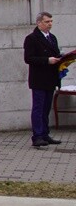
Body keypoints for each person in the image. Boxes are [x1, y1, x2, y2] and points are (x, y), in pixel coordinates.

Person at [23, 11, 62, 147]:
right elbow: (28, 58)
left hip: (50, 78)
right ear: (39, 23)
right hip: (39, 78)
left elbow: (55, 53)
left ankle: (45, 134)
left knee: (46, 108)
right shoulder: (31, 38)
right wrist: (47, 60)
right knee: (38, 108)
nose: (50, 24)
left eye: (51, 21)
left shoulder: (52, 38)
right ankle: (37, 136)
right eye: (47, 22)